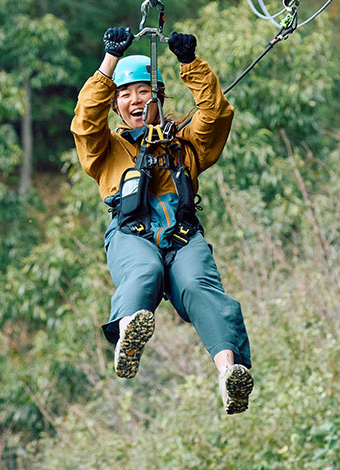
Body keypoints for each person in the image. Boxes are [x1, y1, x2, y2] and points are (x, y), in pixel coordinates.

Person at [70, 26, 254, 414]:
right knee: (144, 272)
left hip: (183, 234)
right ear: (116, 105)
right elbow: (85, 120)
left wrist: (190, 63)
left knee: (200, 286)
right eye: (125, 94)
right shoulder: (106, 148)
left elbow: (216, 114)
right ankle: (127, 337)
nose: (135, 100)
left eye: (143, 91)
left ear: (158, 97)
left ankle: (228, 372)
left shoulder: (185, 145)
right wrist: (109, 63)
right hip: (132, 231)